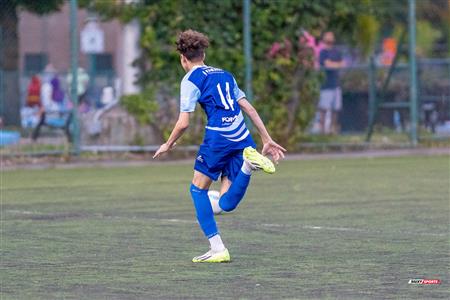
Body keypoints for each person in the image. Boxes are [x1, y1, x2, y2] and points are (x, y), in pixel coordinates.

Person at [153, 30, 286, 263]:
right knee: (226, 203)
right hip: (243, 137)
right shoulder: (226, 75)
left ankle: (217, 248)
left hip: (218, 138)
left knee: (197, 190)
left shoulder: (191, 79)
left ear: (183, 58)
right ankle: (247, 164)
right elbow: (249, 109)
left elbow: (184, 122)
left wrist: (168, 143)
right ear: (203, 53)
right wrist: (266, 138)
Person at [318, 31, 345, 134]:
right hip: (325, 86)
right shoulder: (323, 53)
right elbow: (327, 64)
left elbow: (342, 63)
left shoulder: (336, 52)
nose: (329, 38)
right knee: (323, 109)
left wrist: (334, 64)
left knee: (335, 110)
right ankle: (322, 132)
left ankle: (332, 131)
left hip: (336, 85)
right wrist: (335, 64)